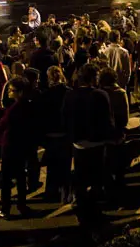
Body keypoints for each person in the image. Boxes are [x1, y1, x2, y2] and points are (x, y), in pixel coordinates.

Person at [62, 64, 115, 227]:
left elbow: (64, 118)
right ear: (93, 77)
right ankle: (94, 211)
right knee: (97, 178)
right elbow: (107, 120)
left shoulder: (70, 95)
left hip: (78, 143)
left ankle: (83, 212)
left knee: (81, 178)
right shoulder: (100, 95)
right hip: (97, 143)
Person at [0, 77, 33, 219]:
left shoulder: (13, 110)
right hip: (22, 145)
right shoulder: (28, 106)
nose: (9, 92)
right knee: (21, 176)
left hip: (10, 146)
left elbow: (2, 125)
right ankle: (22, 205)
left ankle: (5, 209)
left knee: (6, 179)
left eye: (12, 90)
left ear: (20, 92)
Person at [41, 66, 72, 202]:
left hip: (51, 134)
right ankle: (65, 193)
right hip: (65, 133)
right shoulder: (68, 93)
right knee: (65, 165)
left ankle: (51, 192)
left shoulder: (46, 94)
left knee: (52, 166)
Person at [98, 67, 129, 196]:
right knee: (119, 165)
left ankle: (108, 190)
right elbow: (125, 116)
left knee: (106, 166)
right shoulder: (121, 93)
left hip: (104, 134)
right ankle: (120, 188)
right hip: (118, 133)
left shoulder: (99, 93)